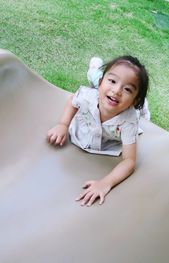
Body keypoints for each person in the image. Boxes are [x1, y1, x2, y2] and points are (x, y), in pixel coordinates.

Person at [47, 55, 149, 207]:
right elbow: (73, 101)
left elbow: (129, 161)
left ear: (134, 100)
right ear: (103, 83)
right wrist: (63, 124)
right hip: (98, 86)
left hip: (132, 105)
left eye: (127, 89)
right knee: (96, 79)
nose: (117, 91)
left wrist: (105, 183)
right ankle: (94, 71)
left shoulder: (129, 121)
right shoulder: (88, 95)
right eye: (112, 81)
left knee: (143, 112)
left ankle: (143, 105)